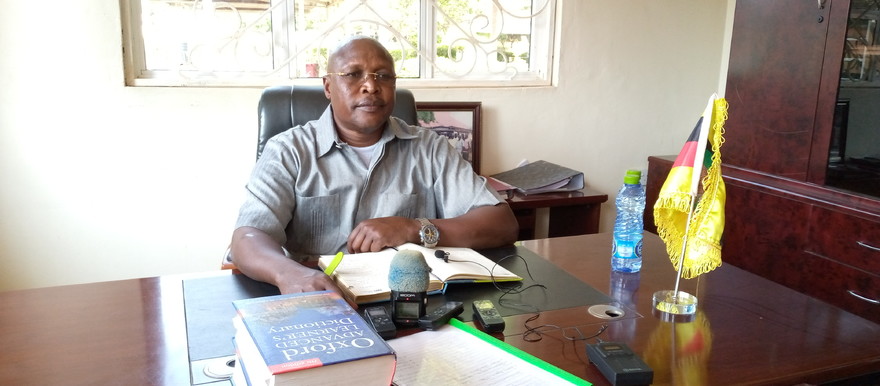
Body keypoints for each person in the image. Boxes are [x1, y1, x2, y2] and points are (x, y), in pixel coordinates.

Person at [230, 36, 518, 299]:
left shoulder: (430, 148)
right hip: (321, 299)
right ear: (328, 87)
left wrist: (413, 228)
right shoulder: (289, 150)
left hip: (411, 300)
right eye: (354, 74)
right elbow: (248, 237)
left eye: (383, 76)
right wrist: (289, 274)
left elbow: (502, 224)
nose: (371, 85)